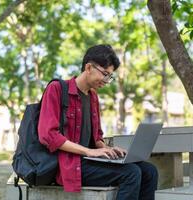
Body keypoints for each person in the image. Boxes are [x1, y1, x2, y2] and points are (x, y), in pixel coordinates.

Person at [38, 44, 158, 200]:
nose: (107, 80)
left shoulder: (93, 97)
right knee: (131, 173)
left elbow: (96, 138)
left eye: (110, 76)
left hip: (89, 161)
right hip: (68, 164)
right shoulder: (57, 89)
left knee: (150, 171)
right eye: (105, 74)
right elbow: (48, 136)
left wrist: (109, 150)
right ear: (88, 67)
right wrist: (89, 151)